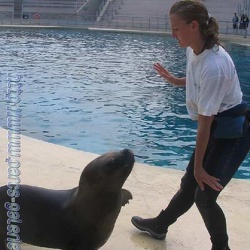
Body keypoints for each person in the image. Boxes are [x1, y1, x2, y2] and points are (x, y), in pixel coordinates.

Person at [131, 1, 250, 250]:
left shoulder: (215, 65)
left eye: (176, 28)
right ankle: (159, 226)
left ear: (194, 25)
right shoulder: (194, 50)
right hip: (217, 126)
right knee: (190, 185)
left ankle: (222, 247)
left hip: (234, 132)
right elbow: (198, 80)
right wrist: (176, 80)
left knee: (204, 196)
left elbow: (205, 122)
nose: (172, 33)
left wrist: (199, 168)